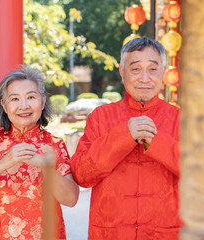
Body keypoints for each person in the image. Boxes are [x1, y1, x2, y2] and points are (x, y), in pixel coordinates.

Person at [70, 37, 182, 239]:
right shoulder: (100, 117)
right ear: (122, 72)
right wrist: (123, 136)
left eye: (153, 69)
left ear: (163, 72)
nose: (145, 78)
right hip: (110, 233)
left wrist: (156, 143)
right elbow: (82, 176)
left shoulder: (180, 120)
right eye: (136, 69)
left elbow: (201, 175)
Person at [0, 66, 79, 240]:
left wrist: (46, 166)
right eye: (14, 99)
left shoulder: (54, 145)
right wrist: (4, 163)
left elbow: (71, 199)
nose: (24, 106)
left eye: (31, 97)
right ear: (4, 105)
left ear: (43, 101)